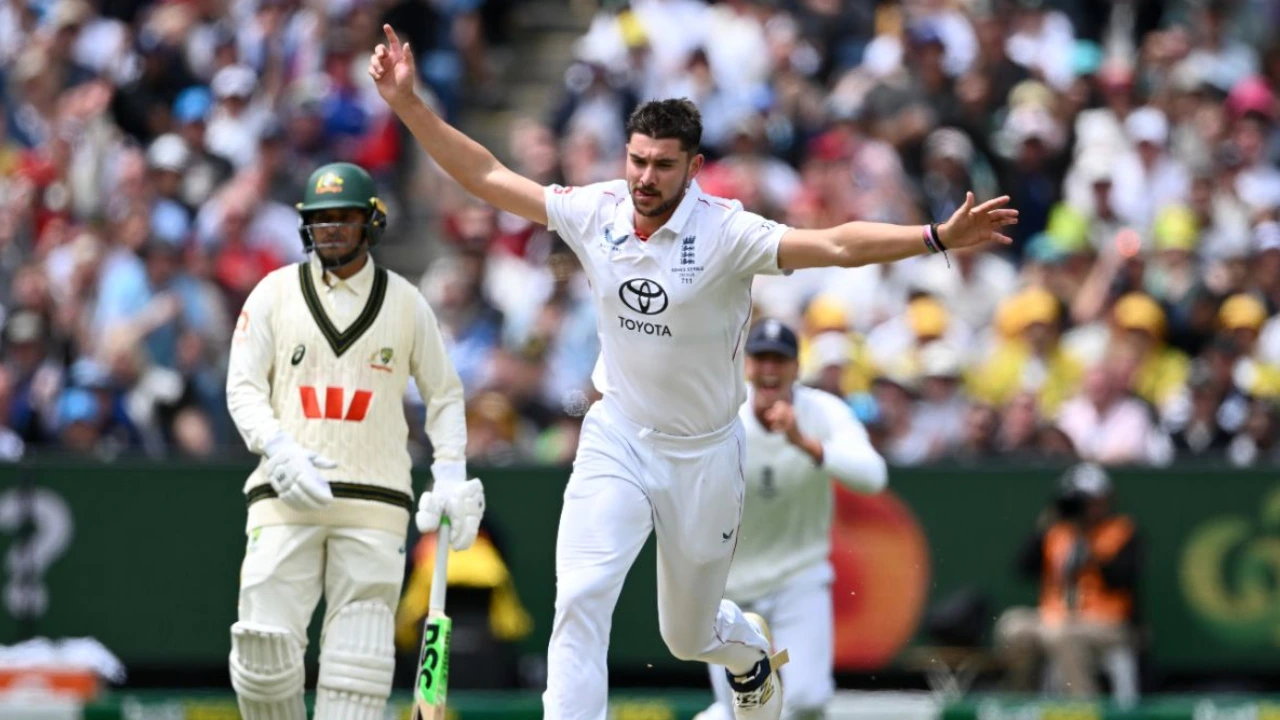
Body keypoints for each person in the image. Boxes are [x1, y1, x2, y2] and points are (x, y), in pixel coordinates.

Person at [368, 25, 1017, 720]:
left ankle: (748, 655)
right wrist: (409, 107)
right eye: (637, 161)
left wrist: (935, 238)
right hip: (616, 433)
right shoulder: (598, 212)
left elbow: (833, 243)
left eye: (663, 166)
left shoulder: (728, 233)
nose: (645, 178)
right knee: (580, 599)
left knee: (689, 635)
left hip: (705, 452)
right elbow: (489, 177)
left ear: (694, 166)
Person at [224, 161, 486, 720]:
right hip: (284, 496)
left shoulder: (406, 302)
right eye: (322, 220)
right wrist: (279, 448)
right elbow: (242, 388)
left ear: (372, 223)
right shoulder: (273, 293)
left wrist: (450, 474)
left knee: (356, 678)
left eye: (344, 218)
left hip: (376, 504)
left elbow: (444, 394)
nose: (333, 230)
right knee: (262, 654)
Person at [694, 319, 887, 720]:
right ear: (745, 364)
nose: (769, 369)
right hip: (729, 590)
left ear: (797, 367)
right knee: (737, 711)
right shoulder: (722, 412)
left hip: (799, 580)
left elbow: (873, 476)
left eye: (779, 360)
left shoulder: (823, 411)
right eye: (761, 358)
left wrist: (805, 443)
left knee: (808, 701)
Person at [995, 463, 1143, 699]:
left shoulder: (1121, 531)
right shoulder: (1057, 532)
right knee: (1012, 627)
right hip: (1055, 617)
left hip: (1107, 624)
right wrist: (1046, 524)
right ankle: (1020, 700)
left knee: (1064, 635)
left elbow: (1123, 579)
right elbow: (1022, 568)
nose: (1086, 508)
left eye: (1089, 500)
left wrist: (1092, 554)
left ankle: (1084, 707)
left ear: (1104, 500)